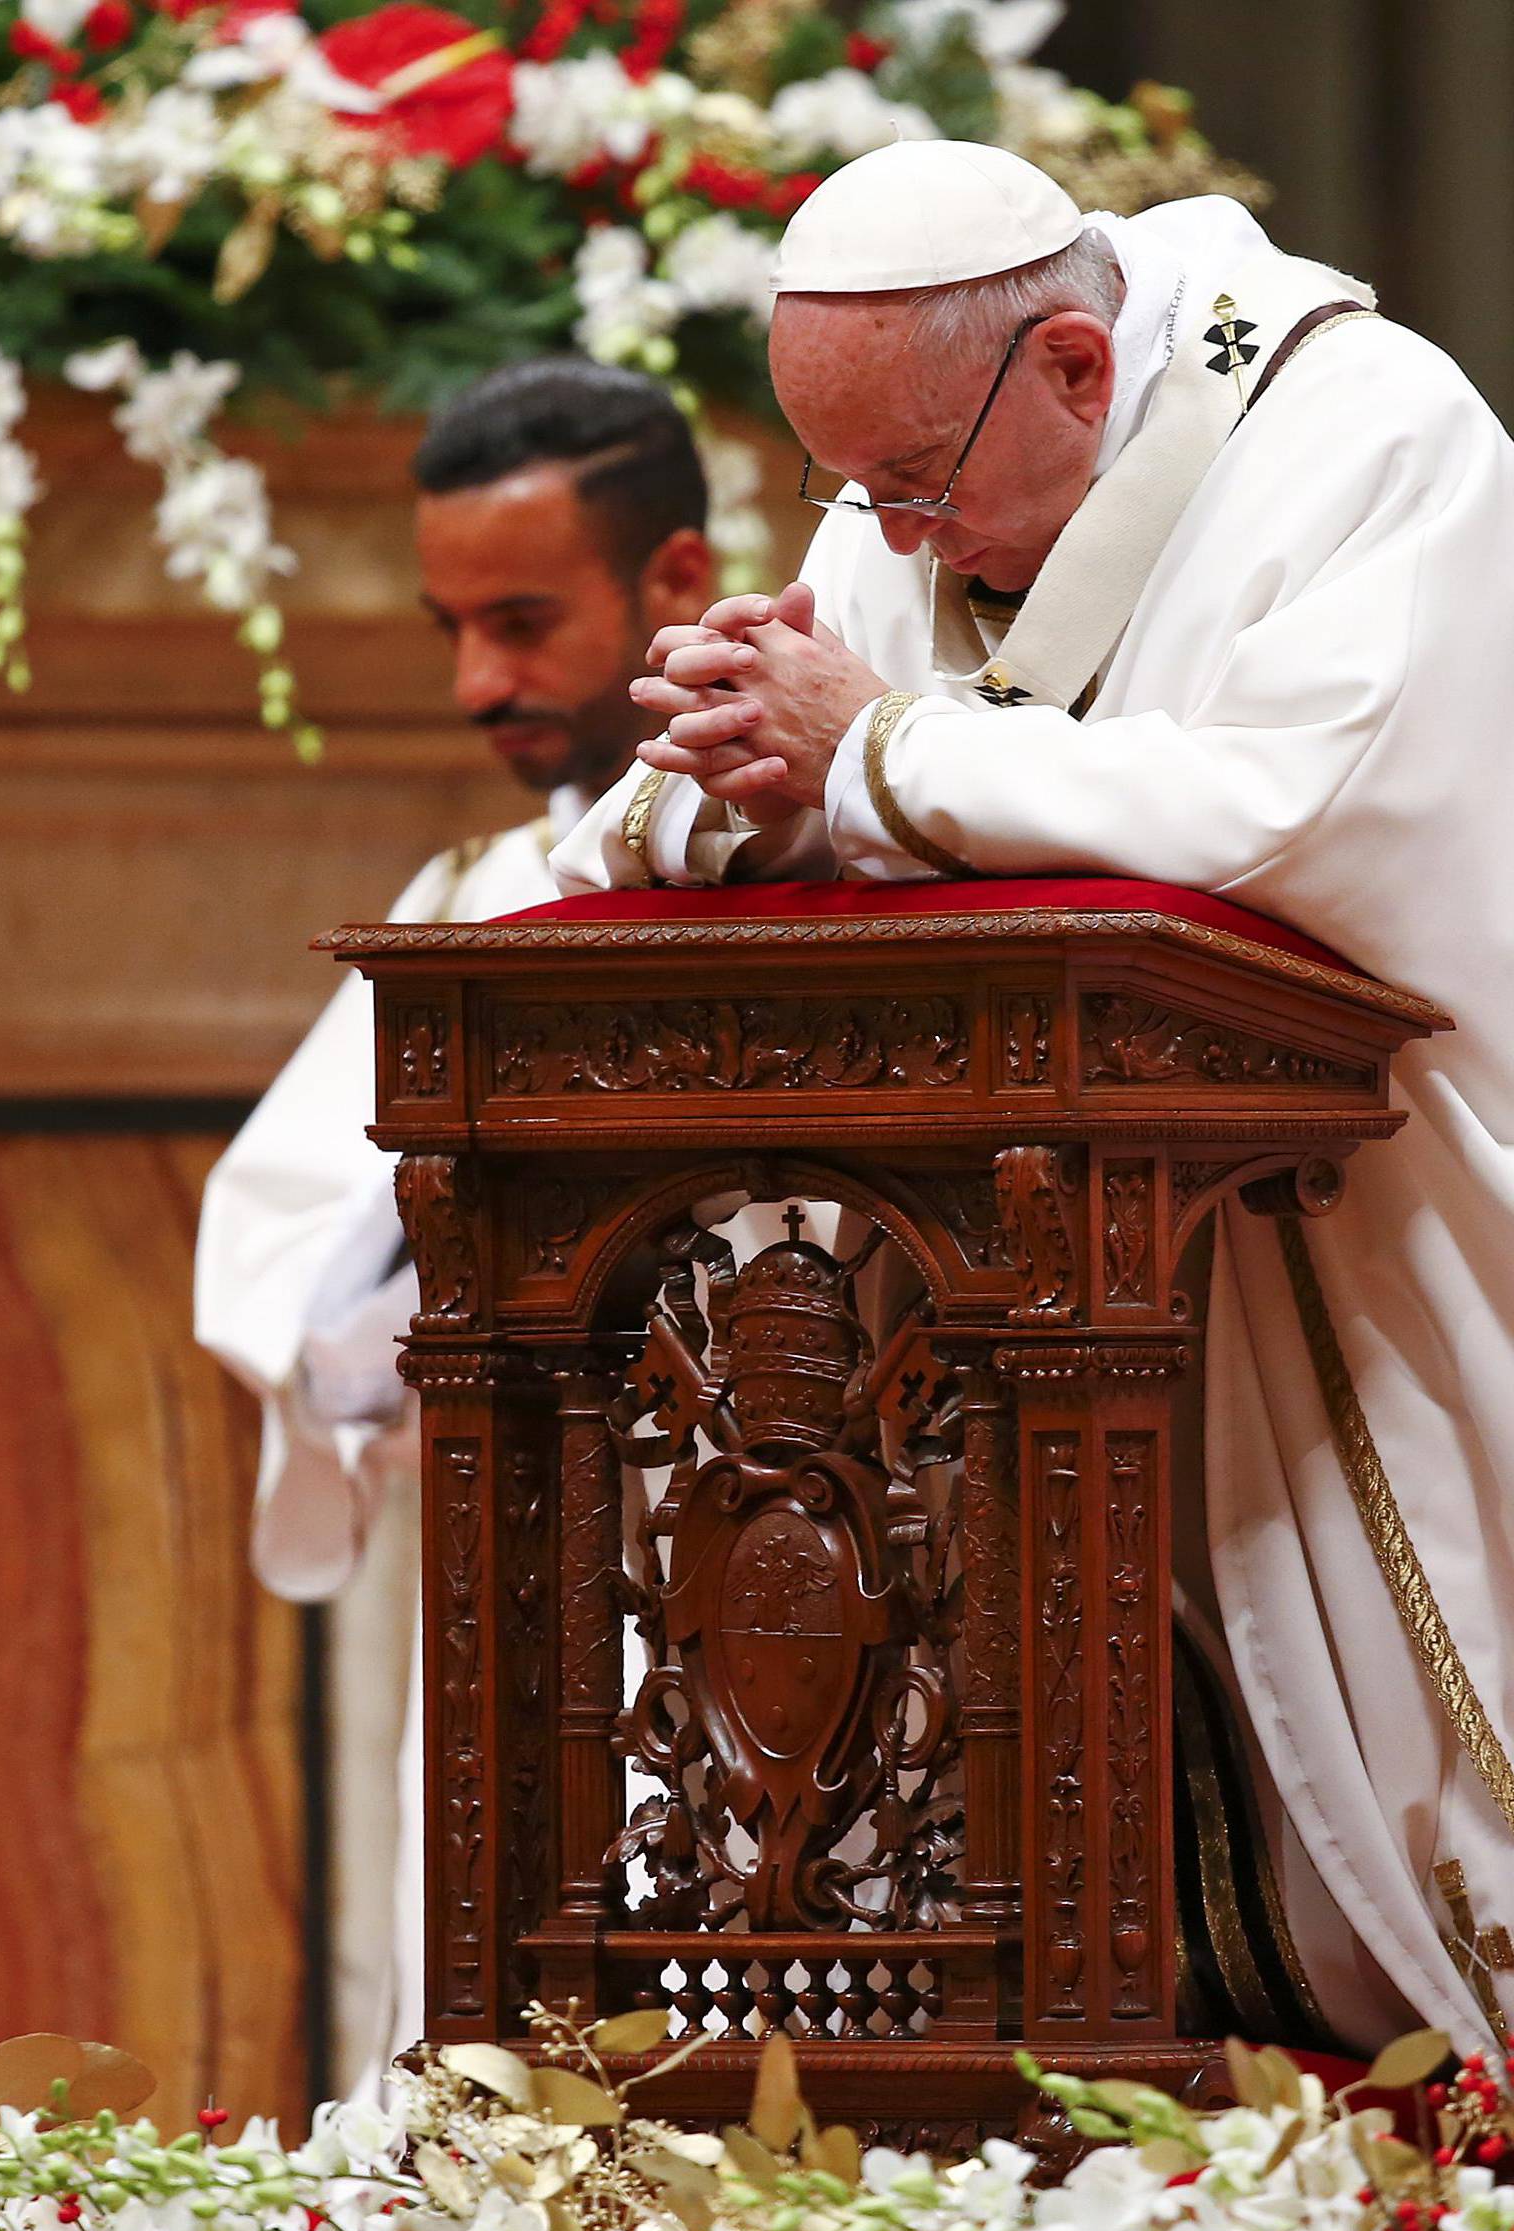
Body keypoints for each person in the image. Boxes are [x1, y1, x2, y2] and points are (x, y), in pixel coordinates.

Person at [552, 137, 1514, 2055]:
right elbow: (812, 757)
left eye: (916, 487)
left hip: (1361, 1226)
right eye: (854, 492)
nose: (893, 542)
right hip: (1016, 1289)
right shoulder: (939, 459)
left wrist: (877, 759)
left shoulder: (1373, 442)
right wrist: (733, 781)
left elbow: (1291, 810)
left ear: (1076, 365)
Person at [195, 358, 714, 2082]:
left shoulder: (835, 847)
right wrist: (383, 1367)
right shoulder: (483, 896)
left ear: (680, 582)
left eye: (520, 619)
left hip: (791, 1547)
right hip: (535, 1557)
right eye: (450, 627)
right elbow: (283, 1240)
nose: (478, 681)